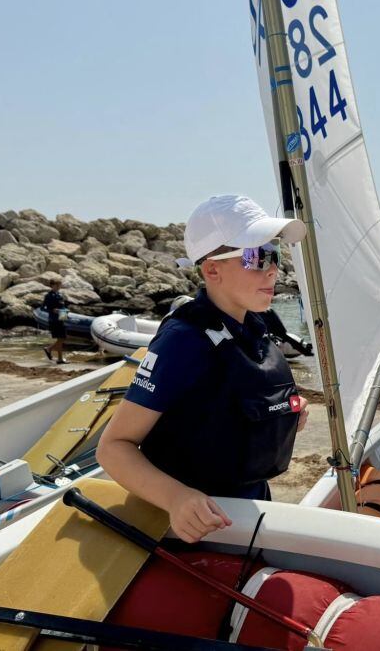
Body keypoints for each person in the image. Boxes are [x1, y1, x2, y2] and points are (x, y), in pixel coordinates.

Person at [97, 195, 310, 544]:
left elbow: (230, 407)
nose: (273, 270)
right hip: (198, 530)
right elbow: (113, 447)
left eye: (274, 254)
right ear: (212, 270)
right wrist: (176, 498)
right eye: (256, 257)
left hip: (250, 512)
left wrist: (286, 414)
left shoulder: (254, 327)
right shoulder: (183, 342)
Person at [40, 279, 68, 364]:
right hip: (54, 320)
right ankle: (55, 355)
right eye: (57, 285)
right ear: (52, 285)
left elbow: (62, 306)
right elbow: (42, 308)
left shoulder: (60, 295)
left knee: (62, 338)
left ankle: (52, 352)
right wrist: (52, 310)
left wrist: (66, 311)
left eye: (59, 285)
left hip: (62, 317)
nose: (59, 287)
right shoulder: (49, 296)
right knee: (61, 338)